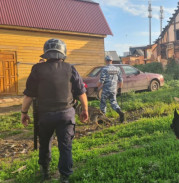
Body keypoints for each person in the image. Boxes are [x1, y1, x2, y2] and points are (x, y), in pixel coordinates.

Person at [21, 38, 89, 183]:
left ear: (46, 53)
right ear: (63, 53)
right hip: (66, 114)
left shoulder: (37, 69)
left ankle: (45, 172)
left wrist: (24, 113)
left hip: (44, 115)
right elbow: (81, 92)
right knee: (65, 146)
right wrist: (85, 110)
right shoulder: (70, 68)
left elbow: (29, 95)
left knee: (45, 143)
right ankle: (64, 177)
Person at [97, 55, 125, 122]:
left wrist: (97, 87)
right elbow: (121, 80)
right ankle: (120, 112)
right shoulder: (117, 69)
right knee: (113, 102)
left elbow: (101, 81)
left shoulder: (104, 69)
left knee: (103, 103)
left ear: (106, 61)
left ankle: (102, 119)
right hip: (113, 89)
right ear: (111, 61)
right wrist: (120, 89)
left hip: (106, 90)